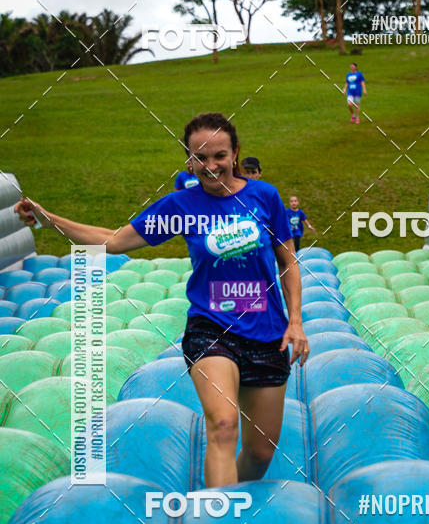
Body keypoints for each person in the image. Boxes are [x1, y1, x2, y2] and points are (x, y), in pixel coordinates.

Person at [15, 112, 309, 489]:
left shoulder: (265, 197)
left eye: (219, 155)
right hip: (212, 329)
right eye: (200, 158)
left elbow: (288, 261)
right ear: (189, 160)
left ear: (235, 154)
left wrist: (295, 321)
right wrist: (45, 217)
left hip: (267, 332)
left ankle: (234, 501)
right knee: (222, 424)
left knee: (261, 452)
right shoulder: (180, 206)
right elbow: (115, 240)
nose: (211, 166)